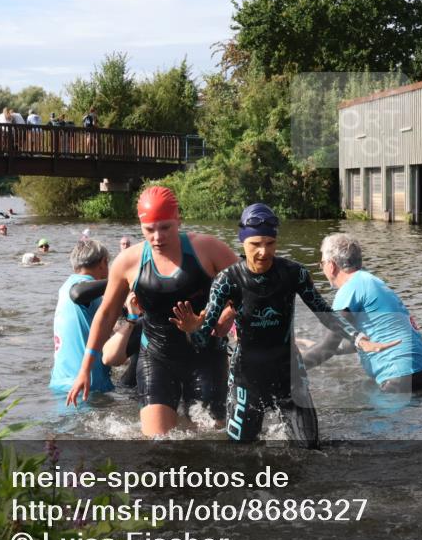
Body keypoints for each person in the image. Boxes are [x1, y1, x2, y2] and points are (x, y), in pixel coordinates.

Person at [170, 204, 398, 448]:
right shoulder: (227, 281)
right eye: (255, 244)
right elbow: (203, 342)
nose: (262, 252)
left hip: (289, 374)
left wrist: (358, 338)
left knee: (310, 451)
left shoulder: (294, 273)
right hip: (247, 378)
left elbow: (325, 313)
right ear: (242, 242)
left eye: (269, 243)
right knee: (241, 456)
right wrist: (194, 330)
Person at [65, 186, 240, 437]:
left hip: (206, 357)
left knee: (210, 443)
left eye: (165, 227)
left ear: (178, 219)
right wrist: (85, 369)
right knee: (158, 445)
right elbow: (105, 316)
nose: (157, 237)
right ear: (140, 225)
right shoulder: (128, 262)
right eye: (149, 229)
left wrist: (224, 316)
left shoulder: (208, 249)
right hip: (158, 358)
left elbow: (248, 289)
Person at [301, 233, 422, 394]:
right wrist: (318, 347)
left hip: (398, 378)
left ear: (331, 265)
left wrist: (289, 369)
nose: (322, 268)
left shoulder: (349, 289)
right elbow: (358, 341)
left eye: (321, 264)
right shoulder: (372, 282)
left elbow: (329, 346)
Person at [50, 240, 113, 395]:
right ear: (103, 262)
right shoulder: (80, 286)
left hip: (62, 381)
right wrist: (119, 280)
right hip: (85, 385)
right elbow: (78, 294)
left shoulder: (65, 286)